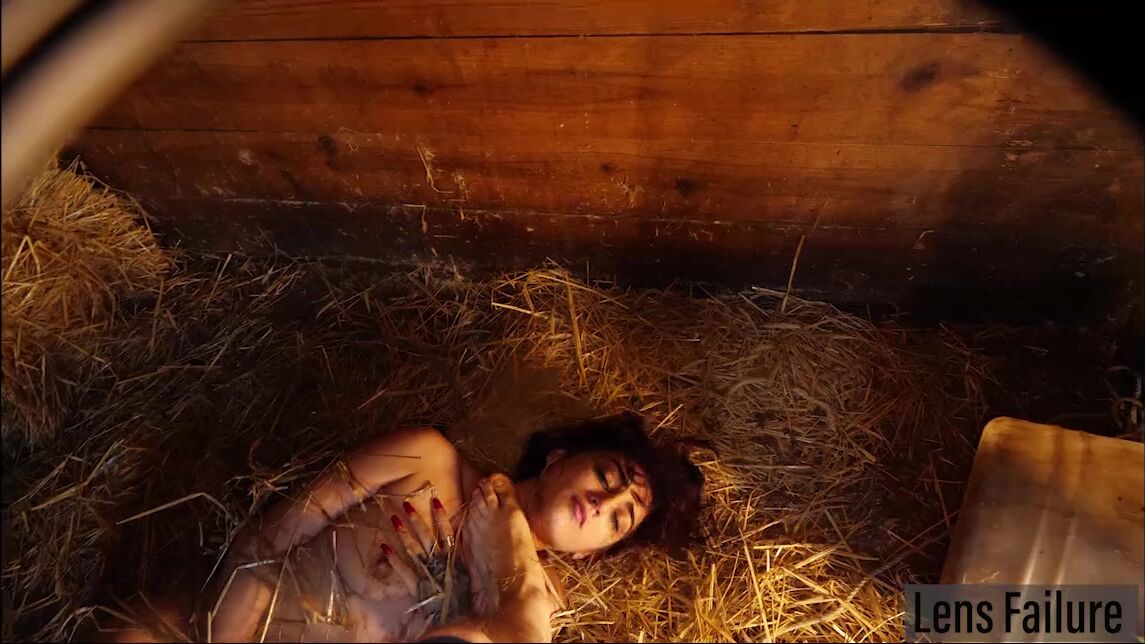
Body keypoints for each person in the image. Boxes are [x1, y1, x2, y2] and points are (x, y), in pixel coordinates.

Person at [107, 412, 704, 642]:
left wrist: (512, 572)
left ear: (587, 556)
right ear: (557, 459)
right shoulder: (426, 459)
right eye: (608, 476)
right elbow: (274, 534)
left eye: (619, 518)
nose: (603, 502)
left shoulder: (538, 610)